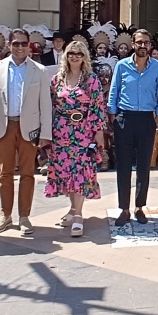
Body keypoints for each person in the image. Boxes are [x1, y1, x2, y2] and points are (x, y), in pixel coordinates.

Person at [0, 28, 52, 236]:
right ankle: (5, 215)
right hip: (3, 126)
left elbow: (46, 104)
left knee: (27, 173)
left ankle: (24, 216)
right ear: (9, 44)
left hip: (30, 128)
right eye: (16, 44)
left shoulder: (39, 70)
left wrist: (45, 134)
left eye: (24, 44)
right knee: (5, 173)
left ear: (29, 45)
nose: (20, 47)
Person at [44, 40, 106, 237]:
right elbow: (50, 105)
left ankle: (78, 214)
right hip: (61, 131)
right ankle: (72, 209)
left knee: (80, 170)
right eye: (71, 53)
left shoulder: (91, 79)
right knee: (66, 171)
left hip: (83, 131)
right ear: (66, 55)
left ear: (85, 56)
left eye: (79, 53)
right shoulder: (57, 79)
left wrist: (99, 132)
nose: (75, 56)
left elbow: (98, 106)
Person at [107, 29, 158, 227]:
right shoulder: (122, 66)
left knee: (144, 165)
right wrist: (113, 114)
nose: (143, 46)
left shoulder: (157, 67)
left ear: (151, 45)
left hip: (146, 119)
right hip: (125, 117)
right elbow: (114, 89)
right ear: (133, 44)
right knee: (123, 165)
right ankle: (124, 208)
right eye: (139, 42)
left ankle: (140, 206)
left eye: (146, 43)